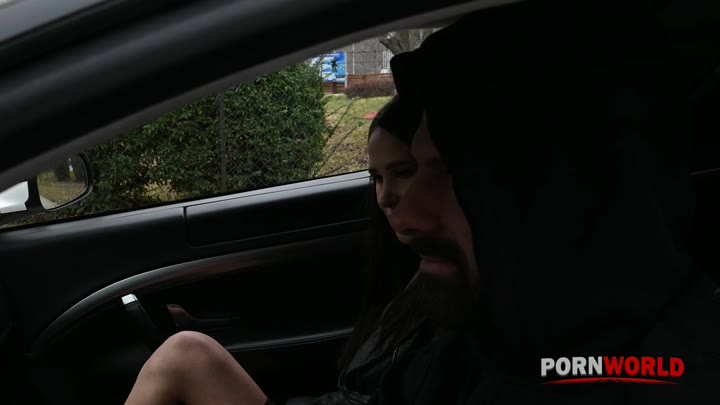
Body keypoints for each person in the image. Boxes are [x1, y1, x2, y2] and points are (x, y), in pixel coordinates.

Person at [362, 1, 720, 404]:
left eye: (452, 173)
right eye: (416, 168)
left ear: (570, 186)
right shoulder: (471, 352)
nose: (406, 216)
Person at [124, 95, 451, 405]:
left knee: (183, 353)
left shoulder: (462, 285)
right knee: (186, 351)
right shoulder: (417, 265)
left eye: (404, 172)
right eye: (377, 178)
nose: (385, 197)